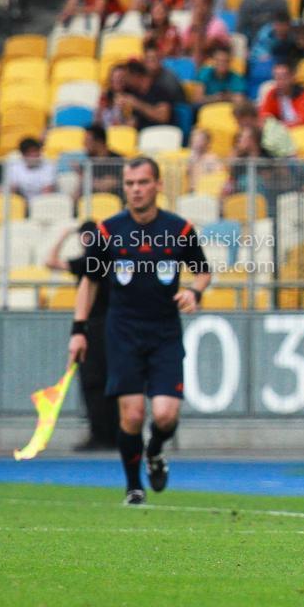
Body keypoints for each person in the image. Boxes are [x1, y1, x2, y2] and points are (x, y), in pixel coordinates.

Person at [67, 157, 211, 505]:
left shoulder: (179, 229)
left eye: (143, 182)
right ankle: (134, 487)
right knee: (132, 415)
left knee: (165, 415)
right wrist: (78, 330)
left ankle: (155, 450)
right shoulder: (108, 231)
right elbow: (89, 282)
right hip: (123, 333)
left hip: (164, 333)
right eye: (130, 183)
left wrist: (194, 291)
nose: (135, 190)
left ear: (157, 185)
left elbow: (203, 271)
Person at [47, 221, 118, 451]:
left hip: (96, 326)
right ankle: (114, 435)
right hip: (112, 326)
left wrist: (63, 235)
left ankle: (103, 435)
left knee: (95, 382)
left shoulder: (89, 262)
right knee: (111, 381)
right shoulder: (105, 260)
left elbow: (50, 262)